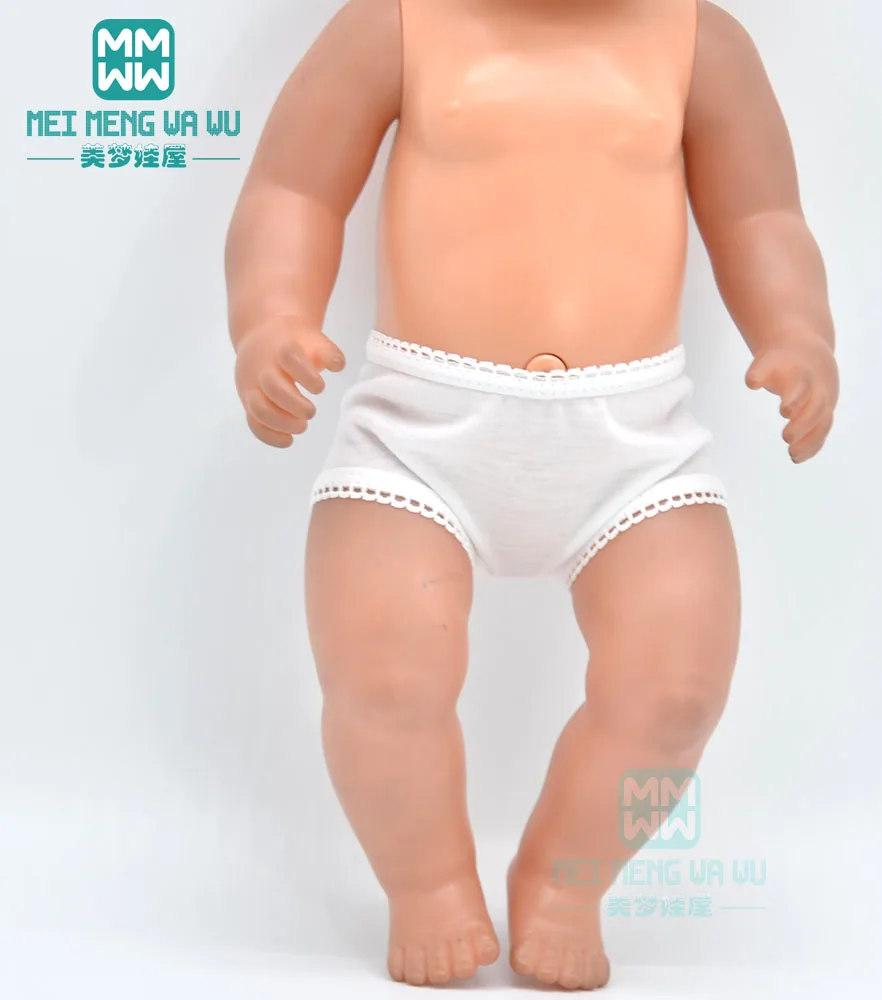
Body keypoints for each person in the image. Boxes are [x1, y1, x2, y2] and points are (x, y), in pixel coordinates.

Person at [225, 0, 839, 988]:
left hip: (633, 443)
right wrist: (270, 319)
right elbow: (292, 189)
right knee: (383, 680)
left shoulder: (700, 43)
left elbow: (762, 216)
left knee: (678, 691)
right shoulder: (397, 24)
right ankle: (426, 880)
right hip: (418, 433)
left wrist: (800, 332)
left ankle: (565, 878)